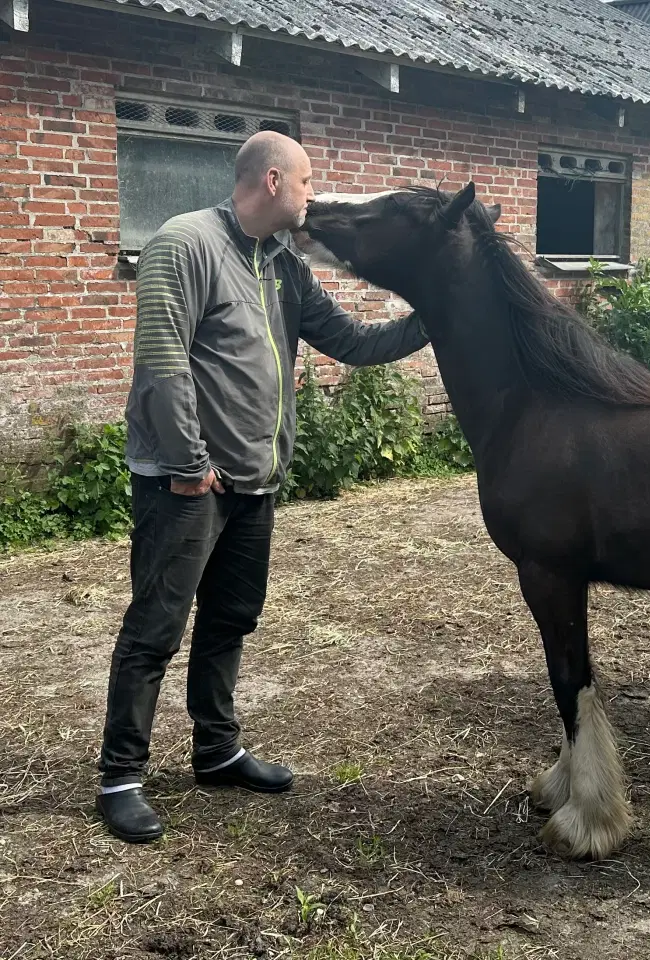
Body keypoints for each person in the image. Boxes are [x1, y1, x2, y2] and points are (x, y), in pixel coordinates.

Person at [95, 131, 431, 843]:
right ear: (274, 180)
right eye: (309, 182)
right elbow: (162, 361)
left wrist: (436, 314)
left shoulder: (283, 264)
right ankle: (121, 776)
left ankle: (216, 752)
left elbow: (352, 342)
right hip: (186, 485)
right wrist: (189, 464)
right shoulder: (183, 244)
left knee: (230, 622)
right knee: (155, 630)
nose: (315, 195)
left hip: (254, 482)